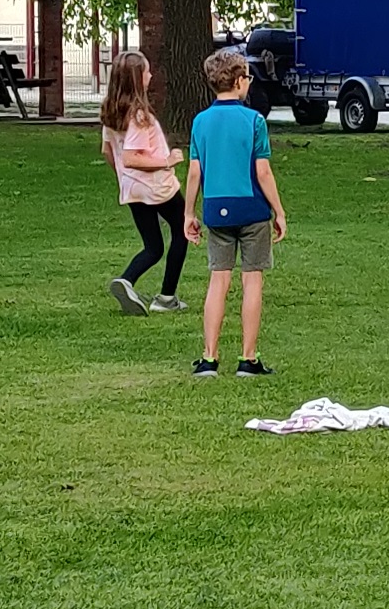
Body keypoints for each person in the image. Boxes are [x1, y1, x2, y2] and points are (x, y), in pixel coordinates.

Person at [183, 48, 287, 378]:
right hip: (252, 209)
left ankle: (209, 358)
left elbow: (195, 173)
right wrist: (278, 211)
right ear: (241, 81)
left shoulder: (200, 122)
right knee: (252, 280)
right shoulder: (254, 121)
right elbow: (263, 172)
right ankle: (248, 358)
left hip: (216, 208)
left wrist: (189, 213)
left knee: (218, 280)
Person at [99, 51, 189, 314]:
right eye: (147, 71)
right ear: (138, 78)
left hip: (132, 188)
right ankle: (166, 298)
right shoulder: (140, 116)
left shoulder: (111, 111)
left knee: (153, 246)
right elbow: (131, 157)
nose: (151, 75)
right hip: (156, 185)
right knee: (183, 228)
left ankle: (126, 280)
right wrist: (167, 161)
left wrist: (125, 179)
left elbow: (108, 152)